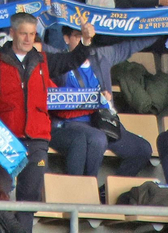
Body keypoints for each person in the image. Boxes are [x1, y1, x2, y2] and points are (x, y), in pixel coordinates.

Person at [0, 13, 96, 208]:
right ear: (12, 33)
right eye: (24, 33)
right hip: (4, 138)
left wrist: (86, 41)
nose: (28, 39)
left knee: (30, 202)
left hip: (37, 140)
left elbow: (72, 60)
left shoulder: (43, 60)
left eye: (32, 34)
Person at [47, 25, 157, 178]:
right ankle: (87, 187)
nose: (84, 40)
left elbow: (132, 45)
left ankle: (109, 189)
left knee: (142, 149)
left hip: (102, 120)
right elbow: (35, 47)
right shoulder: (57, 60)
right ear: (66, 38)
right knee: (98, 139)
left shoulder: (101, 55)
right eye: (78, 36)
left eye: (87, 36)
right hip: (73, 122)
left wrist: (163, 28)